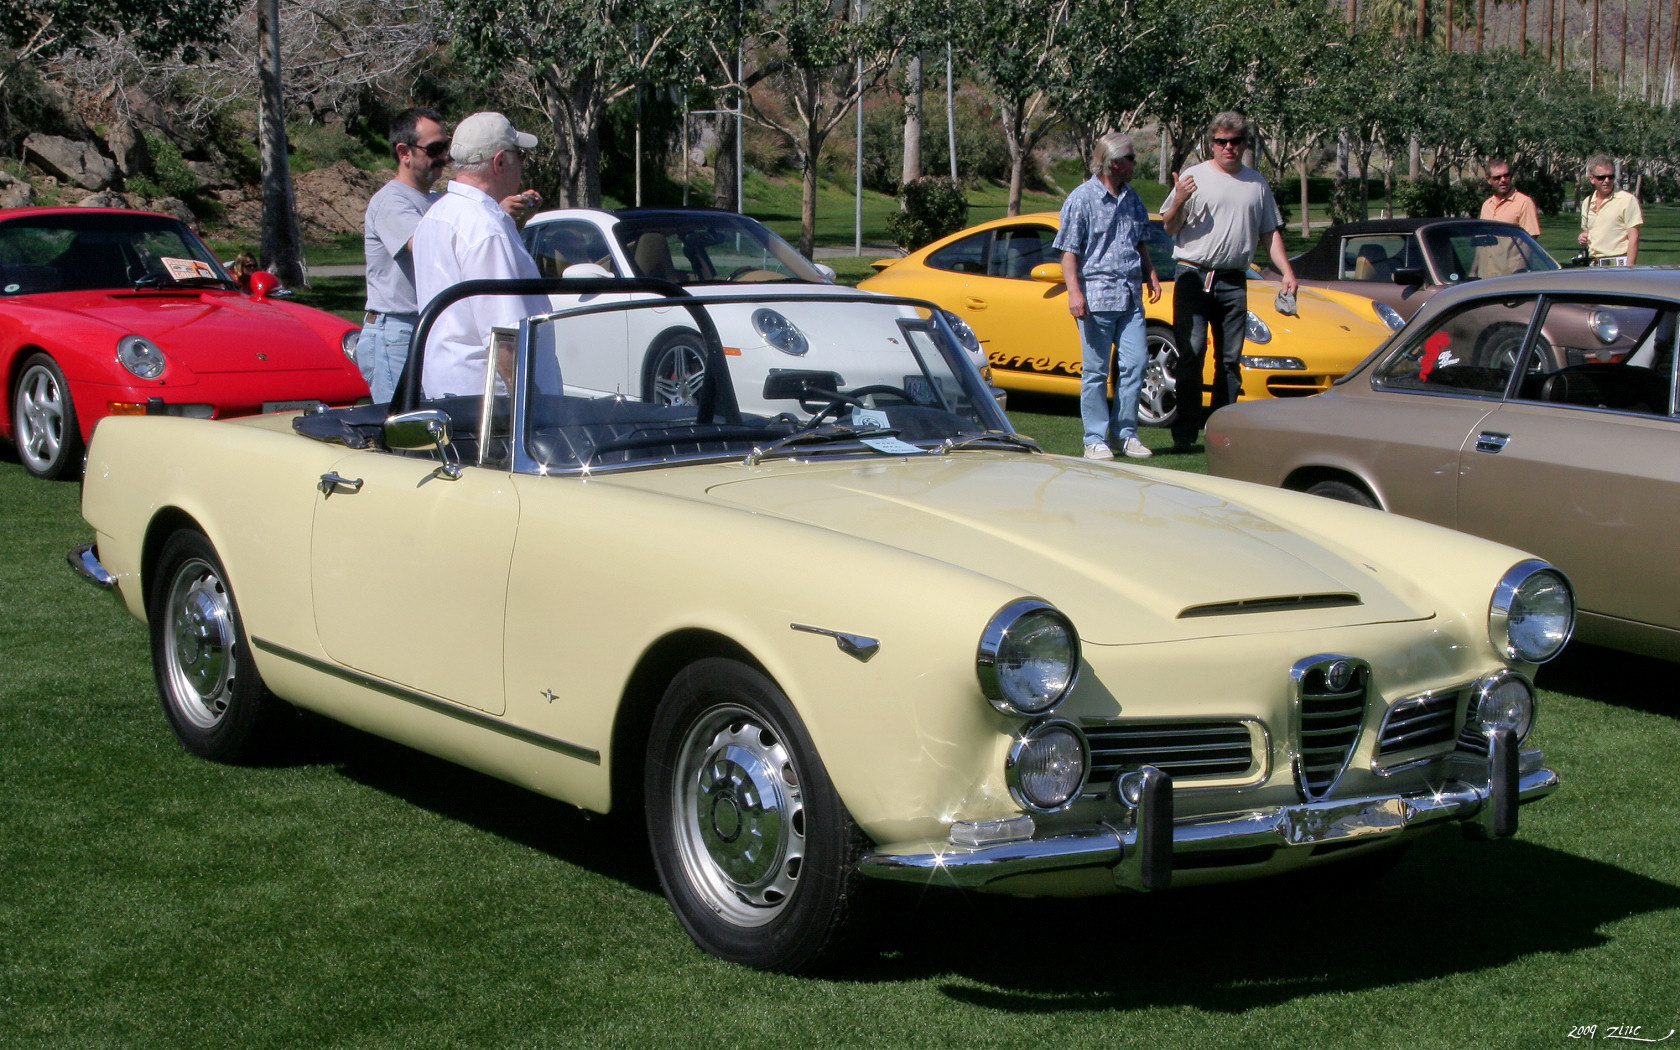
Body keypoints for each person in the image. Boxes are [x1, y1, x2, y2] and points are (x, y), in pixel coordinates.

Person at [1160, 111, 1296, 454]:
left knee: (1230, 360)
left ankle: (1219, 430)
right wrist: (1178, 199)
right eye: (1221, 141)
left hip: (1233, 280)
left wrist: (1286, 272)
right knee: (1191, 355)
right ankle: (1185, 432)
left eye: (1235, 142)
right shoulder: (1193, 177)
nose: (1228, 147)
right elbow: (1169, 227)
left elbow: (1270, 233)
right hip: (1193, 275)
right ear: (1212, 143)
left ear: (1245, 144)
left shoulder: (1256, 184)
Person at [412, 112, 549, 400]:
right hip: (490, 404)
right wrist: (534, 408)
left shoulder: (436, 215)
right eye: (519, 156)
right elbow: (504, 337)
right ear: (499, 161)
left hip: (445, 391)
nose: (522, 165)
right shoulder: (485, 228)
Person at [1052, 131, 1161, 460]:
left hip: (1130, 296)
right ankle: (1095, 439)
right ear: (1113, 162)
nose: (1134, 164)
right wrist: (1074, 292)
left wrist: (1150, 273)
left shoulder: (1132, 198)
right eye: (1129, 158)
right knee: (1096, 371)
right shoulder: (1081, 199)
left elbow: (1139, 240)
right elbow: (1068, 252)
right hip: (1095, 297)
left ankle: (1126, 432)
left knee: (1137, 363)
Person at [358, 107, 450, 403]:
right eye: (435, 149)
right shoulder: (390, 201)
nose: (444, 157)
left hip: (424, 327)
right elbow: (423, 245)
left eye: (446, 148)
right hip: (395, 333)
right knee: (401, 433)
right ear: (404, 152)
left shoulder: (437, 200)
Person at [1578, 155, 1642, 266]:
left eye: (1610, 176)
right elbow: (1588, 231)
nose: (1606, 181)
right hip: (1594, 266)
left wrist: (1630, 267)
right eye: (1601, 177)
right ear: (1592, 179)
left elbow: (1634, 237)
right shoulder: (1587, 203)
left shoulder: (1626, 200)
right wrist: (1583, 237)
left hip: (1618, 265)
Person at [1479, 159, 1540, 236]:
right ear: (1488, 180)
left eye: (1506, 175)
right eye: (1497, 177)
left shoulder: (1524, 202)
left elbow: (1531, 236)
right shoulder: (1486, 205)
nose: (1503, 180)